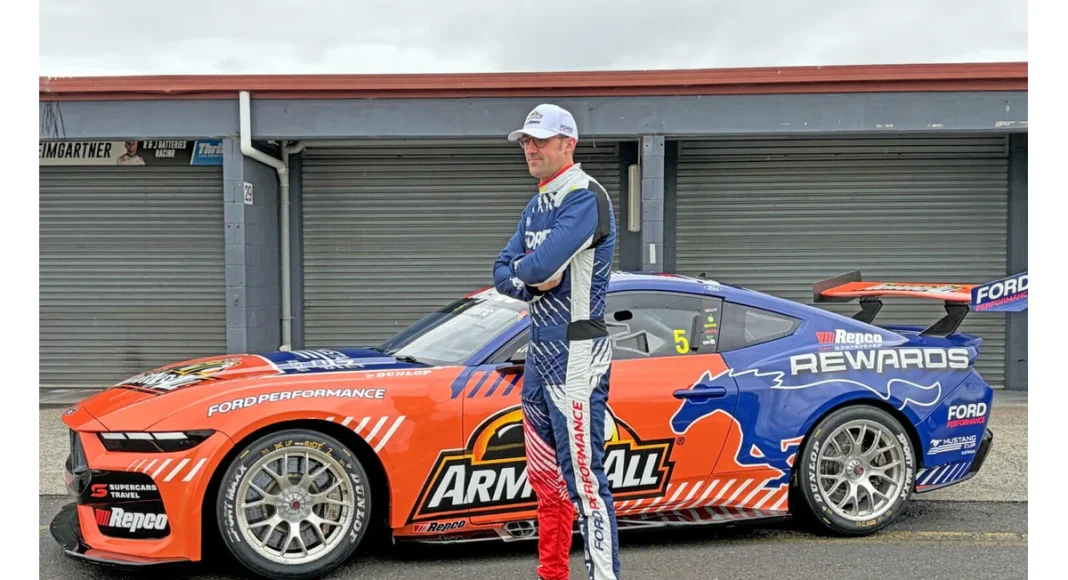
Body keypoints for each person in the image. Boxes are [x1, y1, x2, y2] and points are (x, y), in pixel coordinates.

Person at [492, 103, 620, 580]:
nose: (530, 148)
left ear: (569, 143)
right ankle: (552, 575)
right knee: (545, 479)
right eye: (526, 140)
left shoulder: (585, 196)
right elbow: (501, 272)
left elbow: (540, 265)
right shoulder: (536, 205)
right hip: (539, 352)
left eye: (540, 140)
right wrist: (528, 279)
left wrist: (527, 270)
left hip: (577, 352)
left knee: (585, 483)